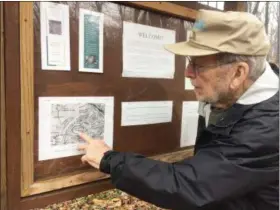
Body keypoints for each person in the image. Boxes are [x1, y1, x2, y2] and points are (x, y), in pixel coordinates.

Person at [78, 9, 279, 210]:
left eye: (198, 65)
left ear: (238, 73)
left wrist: (108, 160)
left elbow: (192, 184)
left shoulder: (268, 126)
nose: (187, 73)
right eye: (190, 62)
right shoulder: (229, 94)